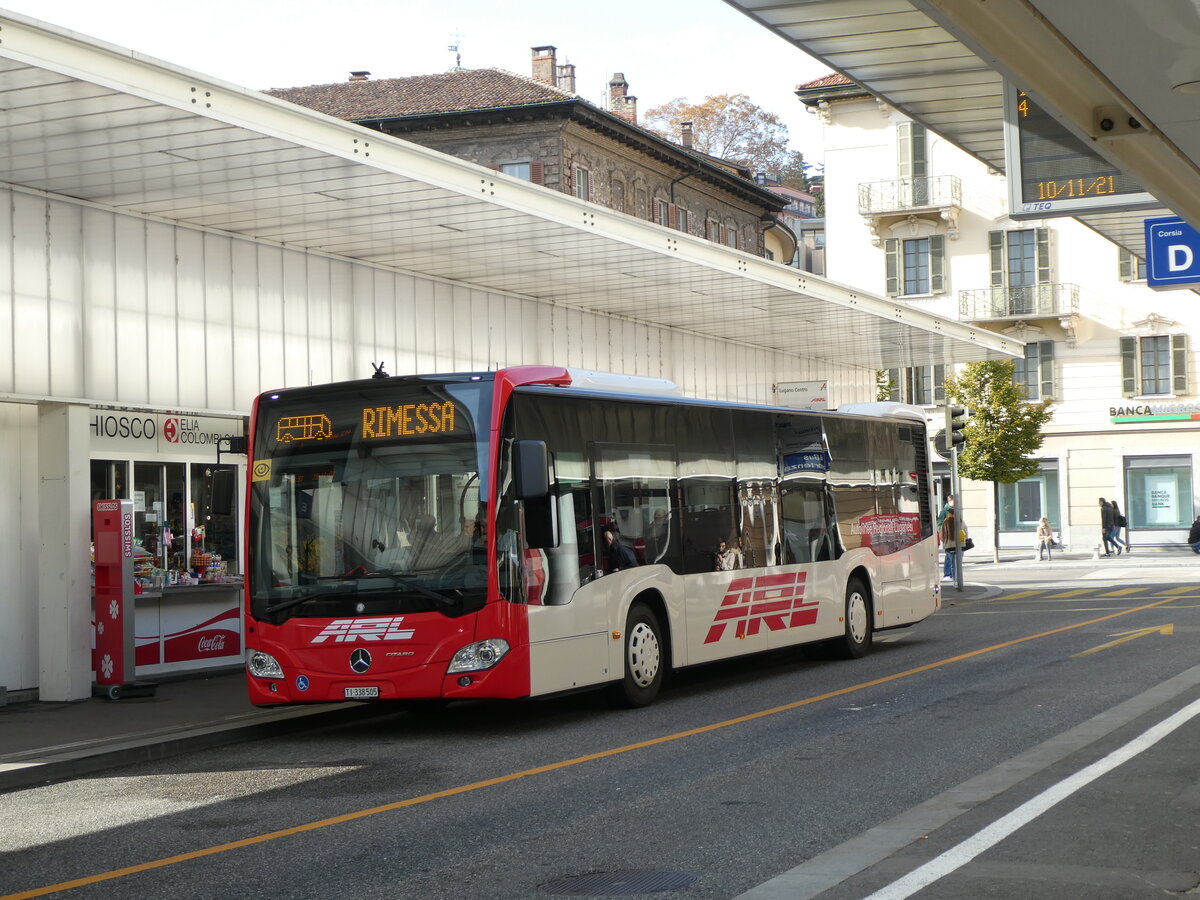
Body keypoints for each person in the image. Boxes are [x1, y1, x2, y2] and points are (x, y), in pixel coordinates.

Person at [939, 498, 958, 581]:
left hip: (948, 543)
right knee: (953, 559)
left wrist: (944, 540)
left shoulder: (946, 521)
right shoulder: (944, 512)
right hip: (955, 543)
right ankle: (953, 575)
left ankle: (949, 575)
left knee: (949, 558)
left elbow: (942, 533)